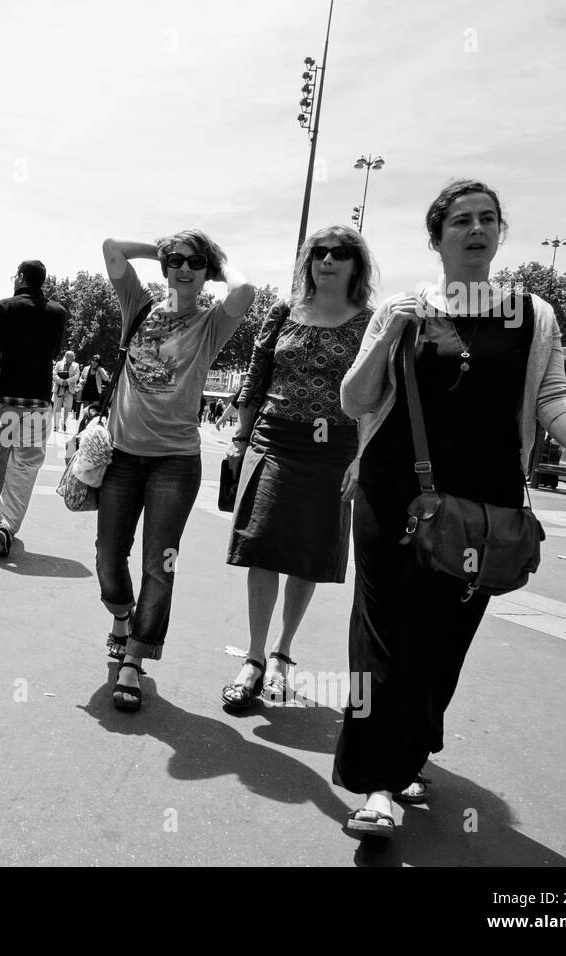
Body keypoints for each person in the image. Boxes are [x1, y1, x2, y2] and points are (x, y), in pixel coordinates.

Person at [333, 180, 566, 838]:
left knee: (441, 644)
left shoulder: (531, 314)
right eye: (460, 220)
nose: (476, 228)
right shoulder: (403, 307)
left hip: (486, 510)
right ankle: (378, 784)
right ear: (437, 237)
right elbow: (355, 399)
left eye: (487, 219)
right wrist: (386, 334)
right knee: (385, 637)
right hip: (393, 492)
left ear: (499, 233)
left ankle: (412, 745)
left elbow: (553, 391)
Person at [220, 226, 377, 710]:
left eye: (340, 253)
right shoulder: (282, 311)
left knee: (308, 552)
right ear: (308, 261)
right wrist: (243, 438)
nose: (327, 260)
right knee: (262, 543)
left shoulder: (370, 322)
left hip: (333, 448)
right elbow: (257, 375)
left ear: (356, 264)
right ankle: (253, 658)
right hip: (275, 438)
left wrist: (362, 456)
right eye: (319, 252)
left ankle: (283, 653)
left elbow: (375, 394)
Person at [99, 230, 255, 712]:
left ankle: (135, 659)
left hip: (176, 463)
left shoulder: (211, 324)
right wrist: (162, 247)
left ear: (208, 273)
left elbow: (245, 292)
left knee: (158, 565)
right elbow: (111, 247)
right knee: (108, 555)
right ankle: (122, 618)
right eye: (176, 261)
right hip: (123, 456)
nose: (184, 269)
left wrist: (218, 258)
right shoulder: (139, 306)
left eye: (196, 263)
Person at [0, 259, 68, 557]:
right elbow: (55, 352)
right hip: (38, 400)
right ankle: (7, 523)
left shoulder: (6, 307)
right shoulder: (58, 312)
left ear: (22, 278)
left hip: (6, 400)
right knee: (25, 465)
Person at [52, 350, 80, 431]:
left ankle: (63, 422)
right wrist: (61, 381)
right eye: (69, 357)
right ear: (65, 356)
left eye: (72, 357)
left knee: (68, 408)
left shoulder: (76, 365)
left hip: (69, 389)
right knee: (57, 408)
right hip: (59, 388)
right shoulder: (59, 363)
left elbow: (76, 376)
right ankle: (56, 426)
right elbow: (54, 374)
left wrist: (67, 381)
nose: (71, 359)